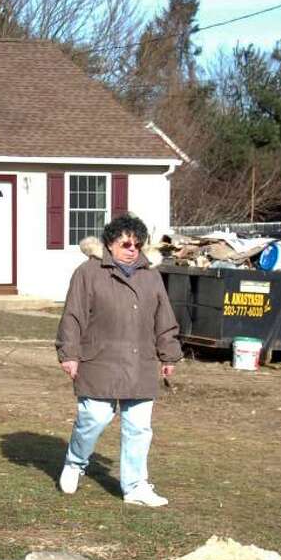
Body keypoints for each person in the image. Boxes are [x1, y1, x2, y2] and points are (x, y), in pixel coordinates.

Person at [55, 213, 182, 507]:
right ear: (110, 243)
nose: (132, 249)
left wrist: (169, 354)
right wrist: (69, 354)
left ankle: (135, 486)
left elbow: (164, 318)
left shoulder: (151, 276)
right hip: (99, 359)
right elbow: (73, 316)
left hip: (141, 363)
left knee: (138, 428)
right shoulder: (88, 272)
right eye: (126, 243)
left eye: (137, 244)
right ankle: (75, 462)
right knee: (94, 418)